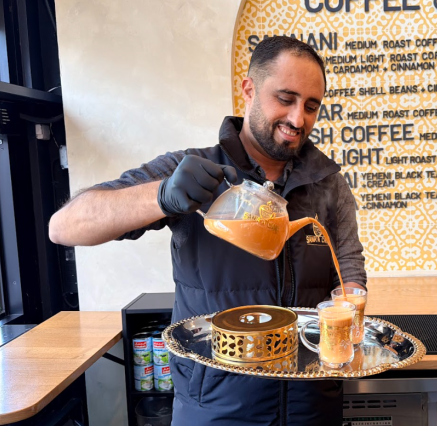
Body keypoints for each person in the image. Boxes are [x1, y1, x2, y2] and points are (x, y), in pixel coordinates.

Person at [49, 36, 367, 426]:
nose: (298, 119)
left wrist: (351, 316)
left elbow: (349, 268)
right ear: (248, 90)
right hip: (215, 408)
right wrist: (162, 196)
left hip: (312, 406)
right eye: (285, 98)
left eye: (311, 106)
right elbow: (64, 226)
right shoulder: (194, 170)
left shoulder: (328, 184)